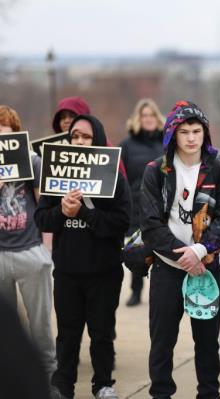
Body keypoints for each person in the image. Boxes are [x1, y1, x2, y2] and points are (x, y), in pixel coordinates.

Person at [140, 100, 220, 399]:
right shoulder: (156, 171)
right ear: (172, 135)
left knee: (207, 342)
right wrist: (186, 254)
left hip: (207, 267)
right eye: (184, 132)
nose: (192, 138)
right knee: (162, 340)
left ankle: (209, 393)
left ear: (205, 133)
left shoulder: (218, 168)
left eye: (197, 131)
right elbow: (150, 224)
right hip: (168, 268)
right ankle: (161, 394)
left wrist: (201, 250)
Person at [35, 114, 131, 399]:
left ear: (97, 139)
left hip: (104, 270)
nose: (79, 141)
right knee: (67, 334)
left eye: (86, 137)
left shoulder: (114, 176)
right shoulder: (56, 174)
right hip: (67, 269)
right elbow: (41, 219)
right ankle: (63, 385)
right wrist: (61, 213)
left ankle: (103, 383)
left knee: (102, 334)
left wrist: (84, 213)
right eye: (75, 136)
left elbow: (121, 222)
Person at [0, 105, 57, 380]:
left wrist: (46, 250)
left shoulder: (32, 161)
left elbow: (43, 203)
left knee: (40, 323)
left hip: (30, 250)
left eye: (5, 134)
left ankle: (48, 377)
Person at [120, 98, 165, 307]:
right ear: (138, 119)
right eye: (144, 115)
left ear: (158, 118)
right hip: (136, 205)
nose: (148, 119)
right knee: (137, 250)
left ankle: (162, 293)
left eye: (151, 115)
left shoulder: (167, 143)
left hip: (162, 205)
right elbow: (121, 178)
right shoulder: (127, 145)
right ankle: (135, 291)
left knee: (163, 248)